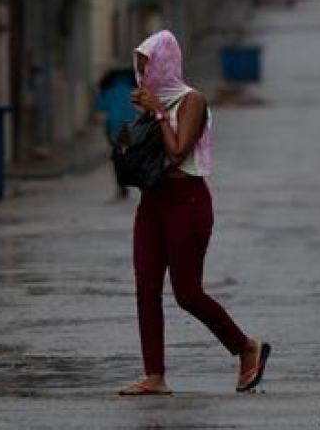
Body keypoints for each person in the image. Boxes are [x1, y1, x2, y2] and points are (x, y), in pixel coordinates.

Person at [118, 29, 272, 396]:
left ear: (166, 64)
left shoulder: (192, 101)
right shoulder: (152, 103)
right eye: (139, 68)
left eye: (148, 65)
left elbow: (177, 152)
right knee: (145, 288)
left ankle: (245, 347)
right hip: (152, 200)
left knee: (187, 293)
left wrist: (156, 112)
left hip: (187, 201)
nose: (143, 75)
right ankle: (154, 376)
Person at [95, 67, 138, 198]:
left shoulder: (109, 90)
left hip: (114, 128)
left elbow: (100, 106)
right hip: (133, 127)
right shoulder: (134, 89)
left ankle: (122, 187)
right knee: (133, 156)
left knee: (118, 158)